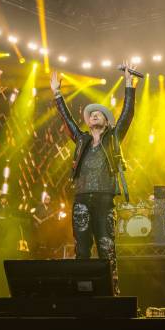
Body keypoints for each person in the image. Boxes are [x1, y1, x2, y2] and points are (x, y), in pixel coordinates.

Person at [50, 62, 136, 294]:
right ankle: (83, 295)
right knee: (82, 251)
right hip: (82, 200)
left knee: (107, 249)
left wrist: (129, 85)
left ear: (106, 122)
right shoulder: (81, 140)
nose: (94, 116)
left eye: (99, 114)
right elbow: (67, 120)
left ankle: (112, 295)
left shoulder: (114, 137)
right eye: (91, 115)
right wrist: (58, 94)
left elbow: (127, 114)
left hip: (105, 200)